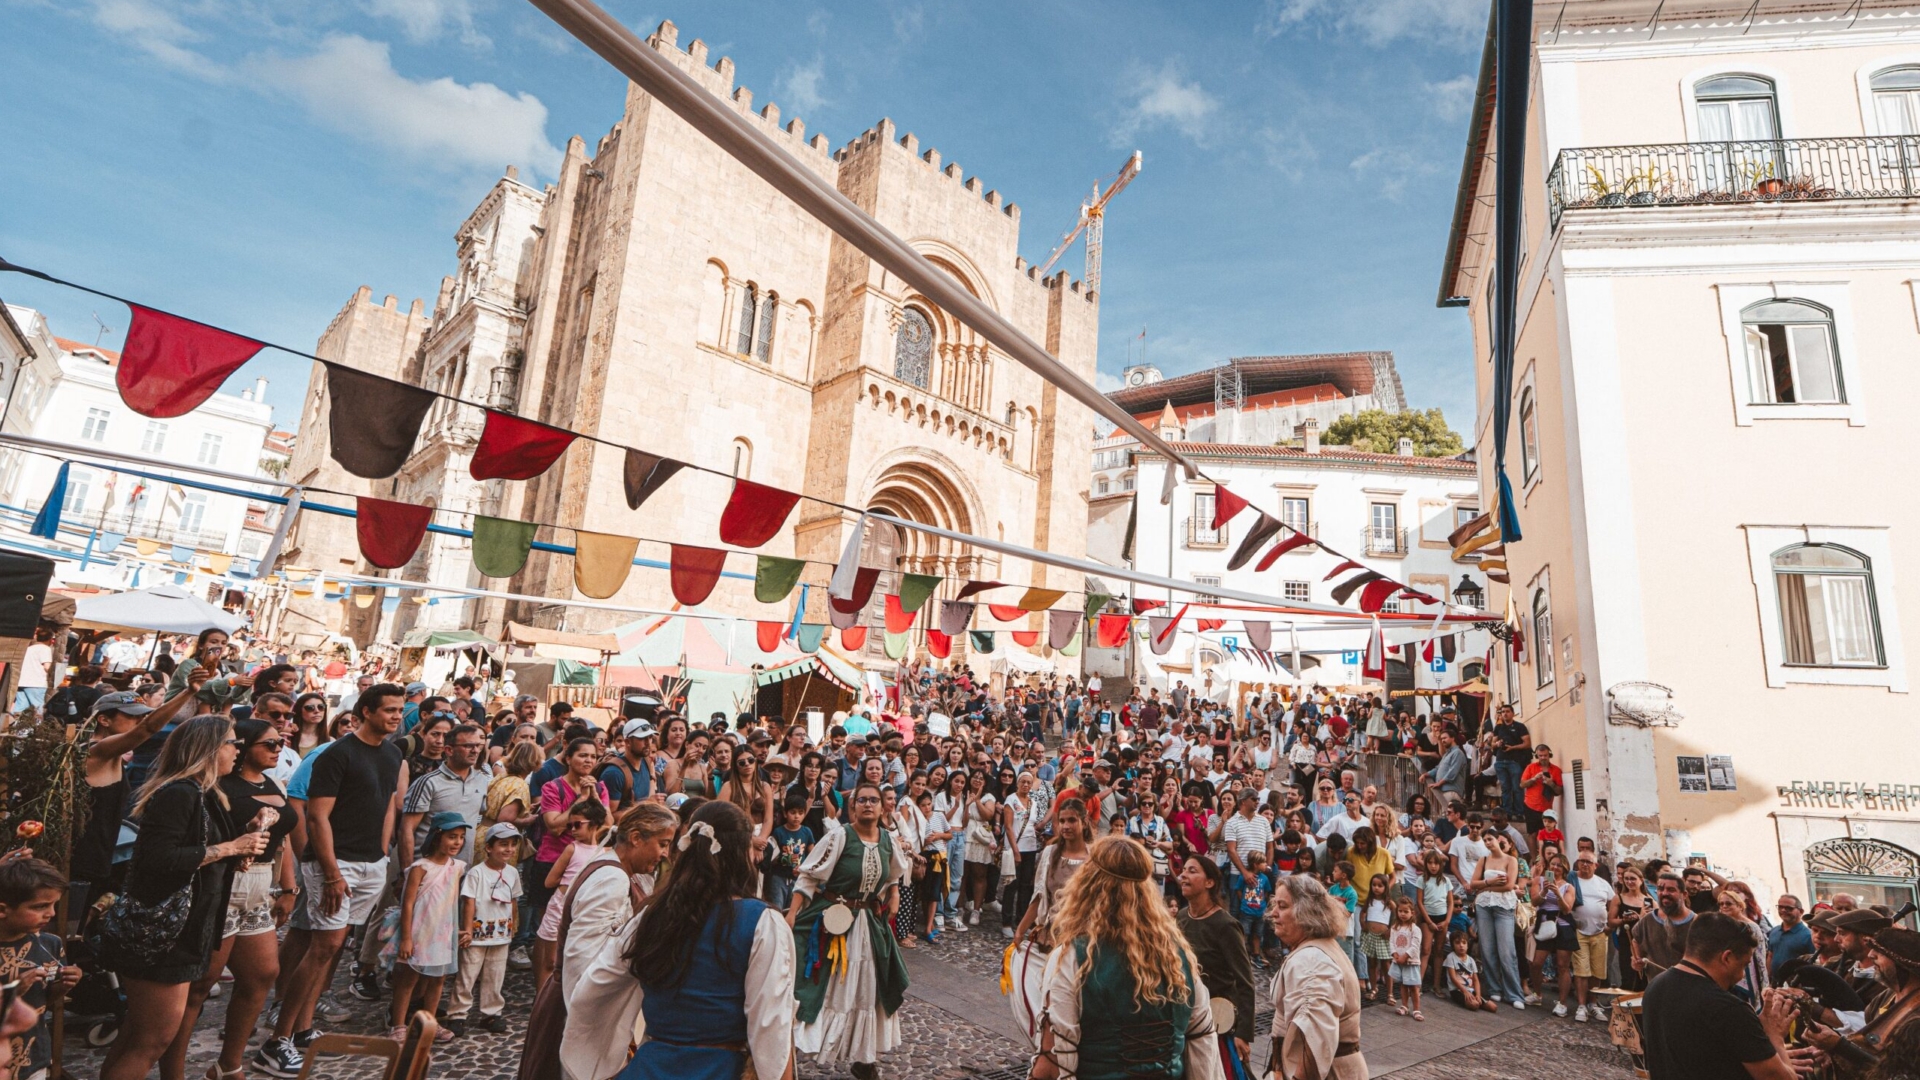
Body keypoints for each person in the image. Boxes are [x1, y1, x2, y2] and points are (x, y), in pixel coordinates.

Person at [560, 800, 795, 1080]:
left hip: (651, 1068)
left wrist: (599, 1061)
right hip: (718, 1069)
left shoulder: (652, 913)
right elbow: (771, 1025)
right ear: (741, 852)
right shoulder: (761, 923)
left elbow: (593, 987)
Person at [99, 715, 270, 1080]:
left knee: (137, 1034)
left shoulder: (205, 793)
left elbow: (199, 851)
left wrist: (243, 840)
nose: (236, 750)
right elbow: (161, 859)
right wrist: (229, 848)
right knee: (153, 1039)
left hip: (184, 931)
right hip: (165, 935)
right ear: (208, 749)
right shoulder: (179, 793)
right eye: (231, 743)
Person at [260, 683, 406, 1079]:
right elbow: (316, 816)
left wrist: (380, 851)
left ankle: (303, 1029)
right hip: (334, 863)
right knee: (325, 946)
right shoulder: (337, 754)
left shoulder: (393, 754)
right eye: (389, 709)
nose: (396, 716)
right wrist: (331, 873)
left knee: (331, 949)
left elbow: (388, 806)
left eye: (400, 709)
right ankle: (276, 1041)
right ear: (366, 711)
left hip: (369, 862)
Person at [162, 717, 300, 1080]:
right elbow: (208, 837)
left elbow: (282, 841)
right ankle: (172, 1072)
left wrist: (288, 888)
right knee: (201, 984)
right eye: (268, 744)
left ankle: (228, 1065)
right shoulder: (217, 786)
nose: (277, 749)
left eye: (280, 743)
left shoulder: (274, 783)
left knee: (262, 974)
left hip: (260, 886)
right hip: (224, 883)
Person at [1029, 835, 1222, 1080]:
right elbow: (1203, 1048)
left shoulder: (1073, 958)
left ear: (1088, 885)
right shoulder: (1178, 957)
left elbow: (1051, 1065)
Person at [787, 780, 910, 1079]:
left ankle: (865, 1059)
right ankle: (791, 1048)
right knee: (826, 986)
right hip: (834, 922)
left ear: (883, 807)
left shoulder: (887, 841)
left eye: (873, 800)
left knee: (868, 989)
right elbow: (808, 878)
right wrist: (791, 916)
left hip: (870, 924)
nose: (868, 804)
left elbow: (895, 872)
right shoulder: (839, 837)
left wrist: (893, 893)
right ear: (852, 806)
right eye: (862, 800)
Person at [71, 680, 206, 904]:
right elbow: (149, 728)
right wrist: (189, 691)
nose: (140, 721)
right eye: (133, 716)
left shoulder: (113, 753)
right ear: (103, 720)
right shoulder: (96, 750)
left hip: (102, 857)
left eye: (143, 715)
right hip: (82, 860)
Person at [1639, 912, 1811, 1080]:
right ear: (1727, 957)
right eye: (1743, 965)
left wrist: (1764, 1052)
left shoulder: (1655, 986)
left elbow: (1704, 1054)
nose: (1742, 976)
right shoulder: (1728, 1007)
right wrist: (1775, 1037)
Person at [559, 801, 680, 1008]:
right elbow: (582, 960)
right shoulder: (612, 879)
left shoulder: (622, 871)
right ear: (635, 838)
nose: (665, 854)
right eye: (662, 843)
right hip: (588, 1008)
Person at [1266, 872, 1368, 1080]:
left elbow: (1316, 1040)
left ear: (1307, 913)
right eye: (1275, 904)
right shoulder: (1312, 949)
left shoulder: (1311, 959)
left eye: (1283, 906)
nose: (1273, 913)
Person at [1008, 799, 1092, 1046]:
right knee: (1046, 994)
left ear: (1084, 821)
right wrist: (1020, 930)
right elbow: (1038, 897)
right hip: (1049, 938)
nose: (1066, 826)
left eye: (1071, 820)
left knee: (1074, 999)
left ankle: (1071, 1048)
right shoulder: (1049, 854)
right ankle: (1046, 1048)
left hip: (1081, 941)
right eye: (1062, 821)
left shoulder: (1094, 858)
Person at [389, 811, 467, 1043]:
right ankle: (398, 1024)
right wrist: (406, 938)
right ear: (437, 837)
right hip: (420, 932)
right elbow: (409, 902)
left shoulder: (458, 867)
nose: (458, 842)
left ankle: (430, 1023)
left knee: (438, 979)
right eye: (452, 836)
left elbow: (452, 902)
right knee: (409, 979)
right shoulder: (420, 867)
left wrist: (456, 929)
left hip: (442, 933)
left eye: (461, 837)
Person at [1175, 854, 1255, 1079]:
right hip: (1185, 1020)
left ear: (1210, 882)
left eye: (1192, 871)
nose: (1183, 876)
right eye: (1184, 870)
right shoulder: (1181, 918)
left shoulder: (1225, 925)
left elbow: (1245, 981)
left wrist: (1243, 1033)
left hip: (1218, 1024)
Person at [0, 857, 79, 1080]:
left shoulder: (50, 944)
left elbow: (45, 1000)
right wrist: (14, 991)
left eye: (54, 904)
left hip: (34, 1056)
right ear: (3, 910)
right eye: (40, 906)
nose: (51, 913)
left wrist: (63, 986)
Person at [448, 822, 522, 1036]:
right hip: (478, 935)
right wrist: (468, 929)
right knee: (467, 974)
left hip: (501, 934)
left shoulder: (512, 873)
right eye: (503, 844)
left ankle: (491, 1013)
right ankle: (458, 1014)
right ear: (489, 847)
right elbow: (469, 902)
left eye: (512, 845)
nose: (508, 849)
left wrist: (512, 927)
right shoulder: (476, 873)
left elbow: (513, 901)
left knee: (495, 974)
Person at [1567, 851, 1616, 1022]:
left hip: (1600, 933)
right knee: (1581, 970)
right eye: (1582, 861)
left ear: (1595, 865)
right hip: (1579, 931)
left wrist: (1609, 925)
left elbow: (1613, 904)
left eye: (1589, 862)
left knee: (1597, 970)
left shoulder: (1603, 884)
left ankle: (1593, 1004)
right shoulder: (1571, 880)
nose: (1585, 864)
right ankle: (1581, 1005)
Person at [1632, 872, 1699, 982]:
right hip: (1656, 987)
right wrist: (1636, 959)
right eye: (1660, 889)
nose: (1664, 893)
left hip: (1687, 988)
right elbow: (1635, 940)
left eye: (1671, 890)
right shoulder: (1647, 920)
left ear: (1684, 894)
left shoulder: (1696, 923)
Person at [1442, 931, 1498, 1014]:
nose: (1461, 945)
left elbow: (1476, 980)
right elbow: (1453, 978)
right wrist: (1465, 991)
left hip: (1471, 989)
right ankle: (1473, 1001)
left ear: (1467, 945)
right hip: (1457, 990)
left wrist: (1478, 995)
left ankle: (1477, 1000)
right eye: (1457, 943)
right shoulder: (1451, 957)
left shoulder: (1471, 960)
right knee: (1474, 1005)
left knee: (1493, 1007)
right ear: (1453, 945)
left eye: (1464, 943)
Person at [1768, 894, 1815, 979]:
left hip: (1795, 985)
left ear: (1801, 911)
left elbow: (1813, 963)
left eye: (1789, 908)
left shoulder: (1809, 935)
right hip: (1774, 984)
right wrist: (1767, 979)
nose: (1783, 910)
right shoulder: (1774, 931)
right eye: (1780, 907)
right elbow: (1770, 956)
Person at [12, 628, 53, 714]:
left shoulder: (28, 649)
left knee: (20, 707)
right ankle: (38, 727)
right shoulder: (45, 649)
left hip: (21, 682)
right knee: (38, 709)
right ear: (50, 639)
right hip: (36, 683)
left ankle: (9, 725)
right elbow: (47, 667)